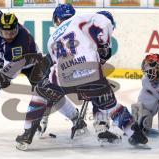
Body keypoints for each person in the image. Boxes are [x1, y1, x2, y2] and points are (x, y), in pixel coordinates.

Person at [13, 4, 148, 150]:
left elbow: (50, 65)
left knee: (41, 93)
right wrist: (104, 46)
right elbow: (105, 22)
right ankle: (135, 134)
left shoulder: (51, 38)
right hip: (90, 73)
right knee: (108, 103)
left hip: (63, 76)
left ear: (56, 19)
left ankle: (27, 134)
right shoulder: (81, 20)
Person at [0, 4, 87, 137]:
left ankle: (76, 118)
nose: (9, 36)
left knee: (48, 91)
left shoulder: (19, 44)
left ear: (17, 28)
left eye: (11, 32)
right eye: (5, 33)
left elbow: (8, 70)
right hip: (7, 59)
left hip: (32, 61)